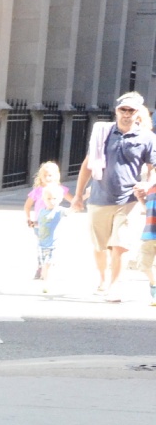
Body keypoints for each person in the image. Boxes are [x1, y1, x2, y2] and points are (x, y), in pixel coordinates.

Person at [71, 91, 156, 301]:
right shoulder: (103, 133)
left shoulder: (147, 138)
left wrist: (148, 182)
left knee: (121, 244)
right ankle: (102, 279)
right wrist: (78, 195)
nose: (126, 114)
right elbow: (88, 165)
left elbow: (153, 166)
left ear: (138, 114)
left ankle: (114, 285)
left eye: (131, 110)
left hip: (128, 199)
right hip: (100, 197)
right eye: (122, 109)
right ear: (116, 111)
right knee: (100, 246)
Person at [22, 160, 68, 288]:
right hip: (39, 224)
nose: (48, 178)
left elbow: (73, 200)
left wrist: (83, 197)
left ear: (57, 176)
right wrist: (28, 218)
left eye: (51, 175)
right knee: (42, 246)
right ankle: (41, 266)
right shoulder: (38, 191)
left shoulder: (60, 190)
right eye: (45, 175)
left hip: (54, 225)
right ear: (41, 177)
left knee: (52, 246)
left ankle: (48, 266)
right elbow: (27, 206)